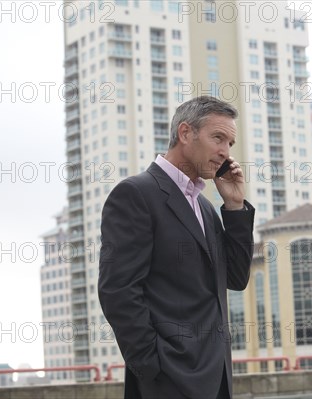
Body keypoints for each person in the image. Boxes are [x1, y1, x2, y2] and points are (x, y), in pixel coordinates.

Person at [98, 96, 255, 399]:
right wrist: (153, 367)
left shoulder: (206, 208)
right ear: (185, 133)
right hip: (167, 380)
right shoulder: (135, 194)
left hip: (216, 378)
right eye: (218, 138)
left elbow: (235, 278)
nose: (225, 152)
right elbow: (118, 290)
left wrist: (234, 206)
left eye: (230, 144)